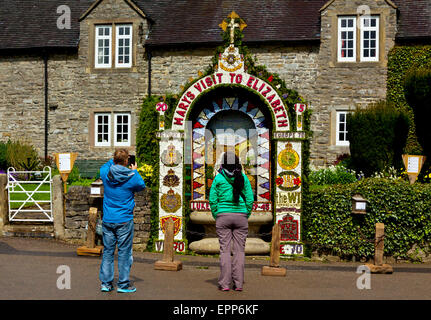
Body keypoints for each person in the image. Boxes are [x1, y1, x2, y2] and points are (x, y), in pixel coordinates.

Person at [98, 148, 146, 293]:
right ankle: (123, 285)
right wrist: (135, 170)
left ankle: (106, 284)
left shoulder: (105, 173)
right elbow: (141, 186)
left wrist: (115, 159)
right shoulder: (132, 176)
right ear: (127, 161)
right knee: (124, 253)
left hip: (108, 218)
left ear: (114, 159)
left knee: (108, 252)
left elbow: (104, 166)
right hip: (124, 219)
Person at [209, 151, 254, 291]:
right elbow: (250, 199)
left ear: (223, 164)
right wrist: (245, 214)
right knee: (239, 251)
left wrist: (217, 214)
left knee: (225, 251)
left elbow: (212, 200)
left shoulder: (218, 179)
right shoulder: (243, 178)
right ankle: (239, 284)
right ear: (237, 163)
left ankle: (224, 284)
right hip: (241, 216)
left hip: (223, 216)